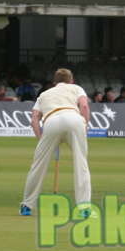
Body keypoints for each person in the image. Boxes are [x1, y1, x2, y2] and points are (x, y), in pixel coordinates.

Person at [20, 68, 91, 217]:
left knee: (37, 166)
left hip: (51, 121)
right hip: (73, 119)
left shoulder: (44, 94)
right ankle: (84, 209)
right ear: (71, 81)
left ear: (55, 83)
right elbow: (84, 106)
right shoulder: (76, 88)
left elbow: (34, 119)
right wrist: (85, 126)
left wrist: (42, 140)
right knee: (81, 165)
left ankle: (26, 206)